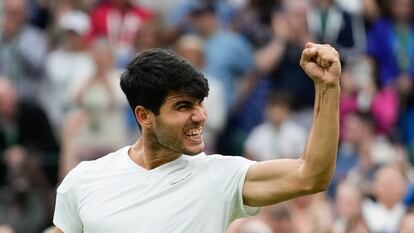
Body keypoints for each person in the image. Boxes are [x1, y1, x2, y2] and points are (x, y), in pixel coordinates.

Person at [53, 42, 341, 233]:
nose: (201, 116)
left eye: (200, 102)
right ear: (144, 116)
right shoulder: (84, 180)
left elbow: (311, 175)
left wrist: (328, 88)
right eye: (183, 106)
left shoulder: (222, 177)